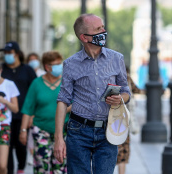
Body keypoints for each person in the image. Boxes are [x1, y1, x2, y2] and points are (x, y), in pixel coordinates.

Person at [54, 14, 131, 174]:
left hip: (108, 131)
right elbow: (63, 100)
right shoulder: (70, 64)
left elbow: (126, 92)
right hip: (78, 131)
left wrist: (119, 99)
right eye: (98, 29)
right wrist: (59, 138)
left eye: (102, 27)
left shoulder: (117, 59)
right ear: (84, 37)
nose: (104, 31)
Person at [19, 51, 69, 173]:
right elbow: (28, 108)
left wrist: (66, 109)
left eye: (59, 63)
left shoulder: (66, 82)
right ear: (47, 67)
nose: (59, 67)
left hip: (63, 132)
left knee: (61, 167)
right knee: (42, 166)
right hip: (41, 130)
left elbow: (76, 103)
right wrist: (23, 130)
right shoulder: (36, 84)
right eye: (55, 64)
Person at [0, 41, 37, 174]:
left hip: (23, 115)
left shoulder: (27, 70)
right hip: (5, 115)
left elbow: (34, 92)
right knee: (7, 146)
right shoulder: (1, 69)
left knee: (21, 145)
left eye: (9, 53)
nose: (7, 55)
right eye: (5, 53)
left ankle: (20, 169)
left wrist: (33, 114)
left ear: (17, 54)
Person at [116, 67, 141, 174]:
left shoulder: (111, 78)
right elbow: (137, 90)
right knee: (123, 152)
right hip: (125, 119)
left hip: (112, 120)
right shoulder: (128, 79)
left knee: (109, 151)